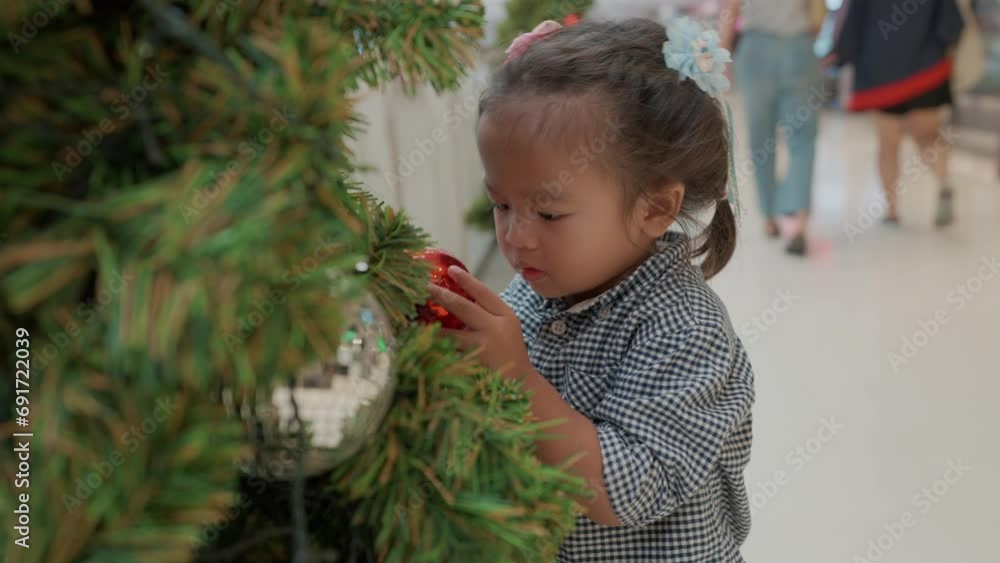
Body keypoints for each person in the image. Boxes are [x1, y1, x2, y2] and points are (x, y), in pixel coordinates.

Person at [426, 17, 755, 562]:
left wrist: (516, 377)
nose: (516, 236)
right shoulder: (538, 287)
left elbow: (626, 493)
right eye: (501, 204)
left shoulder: (685, 330)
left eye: (549, 213)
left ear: (655, 208)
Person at [832, 0, 964, 226]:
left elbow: (853, 24)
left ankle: (891, 210)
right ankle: (944, 183)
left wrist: (842, 56)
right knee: (928, 137)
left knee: (888, 142)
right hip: (927, 69)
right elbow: (952, 23)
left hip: (881, 72)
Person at [721, 0, 826, 256]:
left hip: (756, 50)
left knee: (761, 139)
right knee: (803, 139)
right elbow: (818, 14)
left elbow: (731, 10)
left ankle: (769, 217)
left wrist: (721, 57)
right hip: (798, 47)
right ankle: (799, 223)